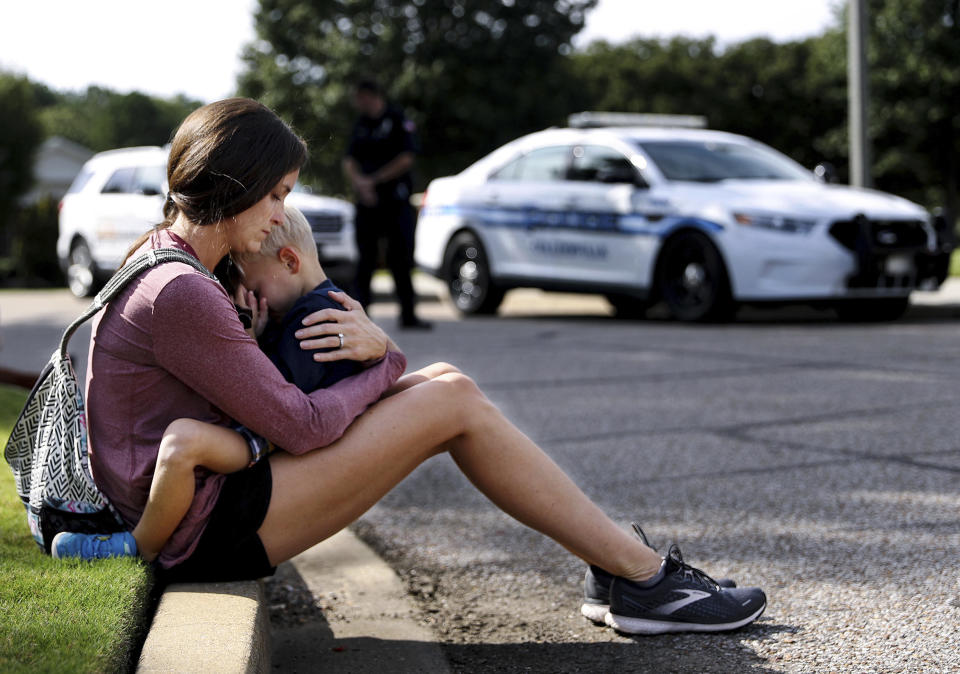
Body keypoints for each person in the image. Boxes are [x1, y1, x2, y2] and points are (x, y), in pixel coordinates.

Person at [52, 98, 765, 635]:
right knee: (447, 400)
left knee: (452, 383)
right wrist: (385, 361)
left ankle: (622, 569)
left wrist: (364, 357)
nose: (279, 215)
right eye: (276, 195)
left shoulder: (169, 259)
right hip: (197, 529)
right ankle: (642, 579)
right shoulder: (179, 289)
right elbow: (300, 427)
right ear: (235, 186)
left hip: (199, 495)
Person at [52, 205, 364, 562]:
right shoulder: (307, 310)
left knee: (183, 446)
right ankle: (136, 543)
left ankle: (138, 548)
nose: (253, 300)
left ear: (290, 263)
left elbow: (281, 398)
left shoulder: (314, 321)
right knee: (184, 445)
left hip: (279, 433)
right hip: (279, 429)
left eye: (256, 288)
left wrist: (250, 343)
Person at [343, 79, 431, 330]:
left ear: (372, 95)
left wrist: (375, 180)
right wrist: (361, 184)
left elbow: (407, 157)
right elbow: (349, 160)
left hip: (395, 201)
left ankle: (408, 315)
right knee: (365, 260)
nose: (358, 102)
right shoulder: (361, 124)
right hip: (367, 202)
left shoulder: (397, 119)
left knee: (400, 258)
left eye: (361, 96)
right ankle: (360, 319)